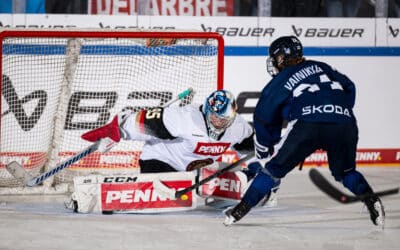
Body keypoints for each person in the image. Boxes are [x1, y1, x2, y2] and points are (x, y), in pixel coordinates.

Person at [223, 36, 385, 227]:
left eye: (275, 58)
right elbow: (349, 87)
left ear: (281, 58)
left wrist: (266, 145)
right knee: (346, 172)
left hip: (307, 125)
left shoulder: (284, 77)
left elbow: (264, 113)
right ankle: (371, 199)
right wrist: (336, 112)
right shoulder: (322, 66)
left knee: (272, 171)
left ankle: (238, 211)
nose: (274, 63)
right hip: (345, 123)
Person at [81, 89, 255, 174]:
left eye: (224, 119)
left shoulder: (238, 127)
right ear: (208, 111)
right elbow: (144, 122)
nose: (219, 123)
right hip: (162, 159)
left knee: (237, 175)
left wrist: (255, 169)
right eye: (216, 117)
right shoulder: (185, 118)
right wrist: (119, 131)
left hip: (193, 171)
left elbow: (251, 148)